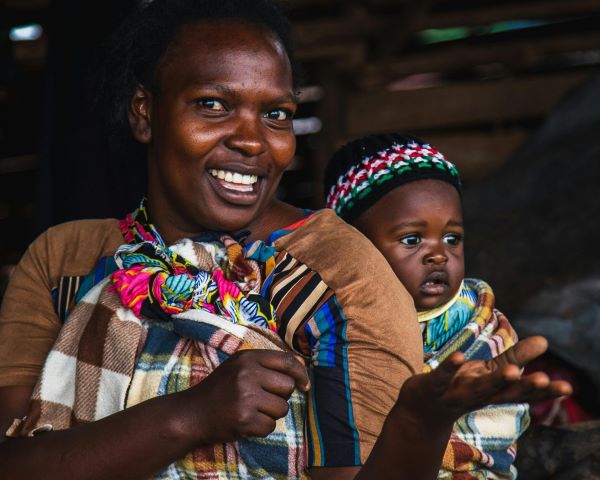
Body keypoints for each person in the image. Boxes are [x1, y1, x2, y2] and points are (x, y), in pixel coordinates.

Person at [0, 2, 570, 480]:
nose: (253, 141)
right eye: (213, 105)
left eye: (276, 114)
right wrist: (189, 417)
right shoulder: (65, 260)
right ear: (145, 112)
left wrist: (417, 423)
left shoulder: (342, 273)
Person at [324, 133, 542, 478]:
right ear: (354, 248)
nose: (439, 254)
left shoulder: (480, 327)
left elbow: (495, 426)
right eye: (412, 240)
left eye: (452, 238)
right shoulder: (327, 320)